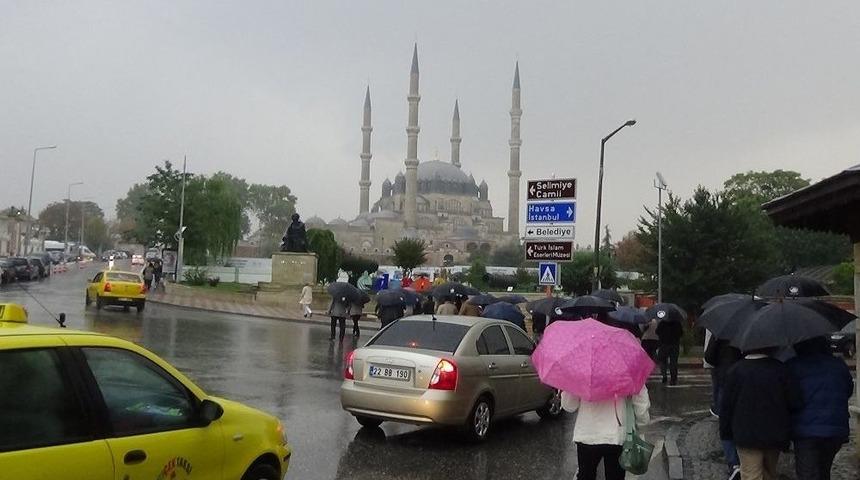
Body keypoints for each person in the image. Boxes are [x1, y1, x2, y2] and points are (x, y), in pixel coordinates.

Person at [719, 347, 803, 480]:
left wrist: (726, 433)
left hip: (745, 434)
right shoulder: (780, 370)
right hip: (774, 433)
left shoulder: (736, 371)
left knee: (751, 474)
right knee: (770, 472)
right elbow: (794, 402)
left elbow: (726, 407)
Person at [788, 337, 854, 480]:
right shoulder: (838, 365)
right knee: (824, 470)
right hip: (835, 428)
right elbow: (848, 390)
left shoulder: (793, 366)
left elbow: (788, 396)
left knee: (808, 473)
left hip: (805, 430)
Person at [562, 385, 651, 480]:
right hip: (616, 435)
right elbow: (641, 402)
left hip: (588, 434)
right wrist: (641, 423)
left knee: (586, 475)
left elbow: (569, 406)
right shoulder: (628, 371)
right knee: (615, 476)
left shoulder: (581, 373)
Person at [705, 334, 744, 479]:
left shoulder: (720, 332)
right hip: (745, 380)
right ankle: (744, 460)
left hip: (725, 380)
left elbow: (709, 357)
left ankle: (734, 463)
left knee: (726, 424)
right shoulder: (751, 327)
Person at [655, 318, 683, 385]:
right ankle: (673, 379)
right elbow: (681, 333)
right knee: (673, 362)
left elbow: (657, 331)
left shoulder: (663, 322)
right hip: (674, 345)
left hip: (664, 344)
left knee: (662, 360)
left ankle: (664, 376)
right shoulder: (677, 322)